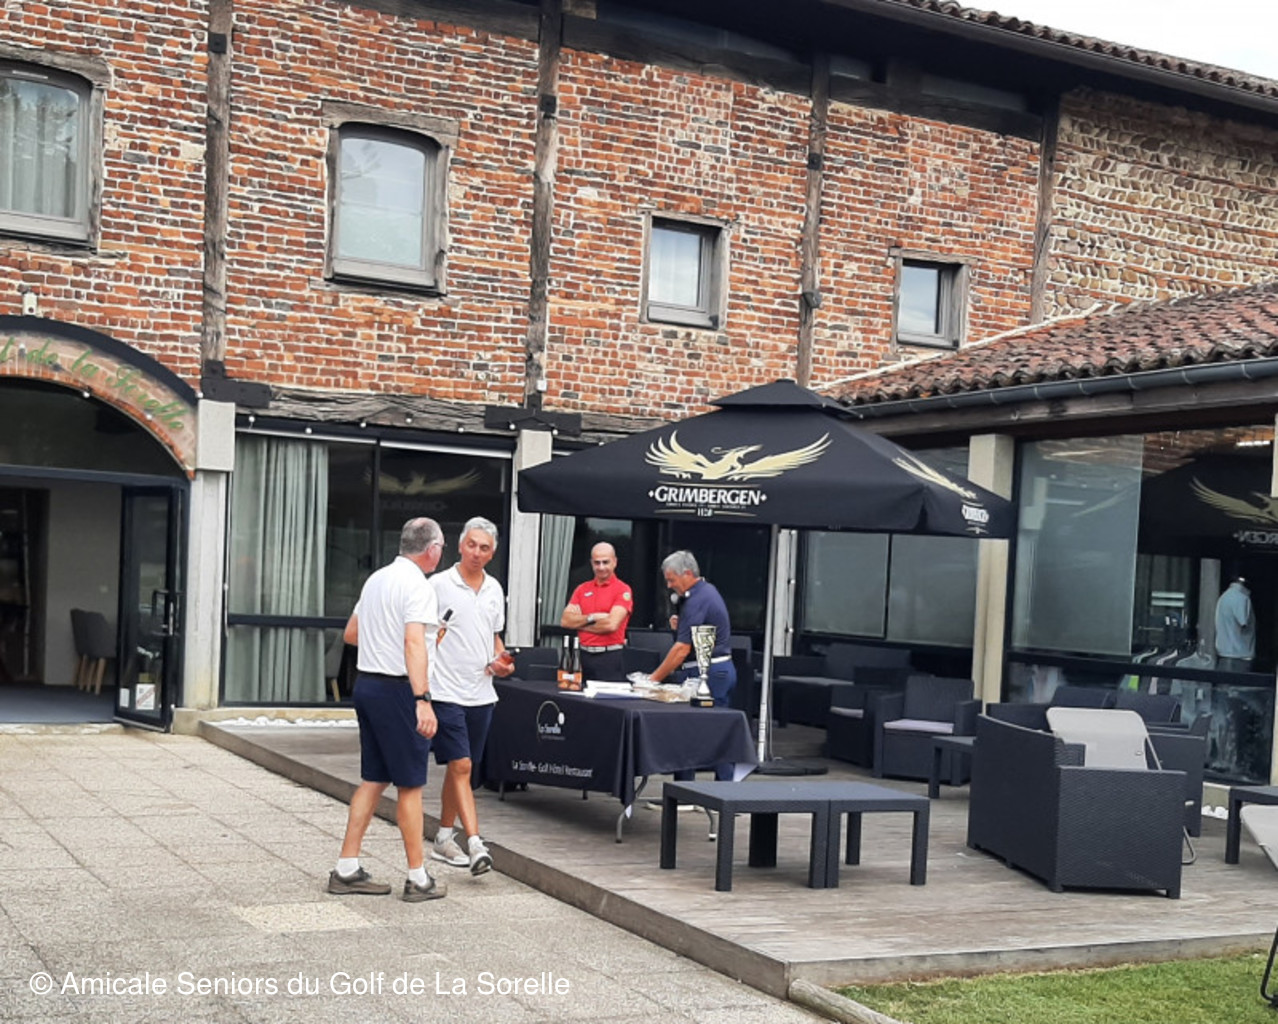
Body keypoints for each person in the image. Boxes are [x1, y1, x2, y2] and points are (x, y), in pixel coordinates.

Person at [329, 517, 447, 903]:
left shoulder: (376, 579)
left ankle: (346, 868)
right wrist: (422, 699)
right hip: (399, 690)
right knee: (410, 785)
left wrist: (393, 639)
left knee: (374, 779)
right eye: (441, 547)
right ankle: (418, 878)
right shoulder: (419, 586)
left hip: (368, 685)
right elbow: (413, 643)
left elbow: (352, 634)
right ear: (432, 549)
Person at [427, 516, 515, 875]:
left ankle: (443, 837)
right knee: (461, 765)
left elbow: (494, 638)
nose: (477, 552)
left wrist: (502, 661)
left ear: (493, 553)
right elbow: (419, 634)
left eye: (485, 548)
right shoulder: (437, 585)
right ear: (460, 545)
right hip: (445, 690)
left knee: (460, 769)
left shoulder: (494, 589)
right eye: (472, 545)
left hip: (482, 692)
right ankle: (476, 843)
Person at [649, 550, 736, 781]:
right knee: (715, 732)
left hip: (707, 672)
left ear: (687, 574)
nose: (669, 586)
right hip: (717, 670)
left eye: (672, 580)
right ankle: (724, 789)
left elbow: (681, 649)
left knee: (692, 732)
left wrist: (652, 679)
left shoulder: (697, 599)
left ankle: (688, 789)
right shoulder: (705, 593)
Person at [559, 542, 634, 682]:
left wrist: (579, 624)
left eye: (605, 562)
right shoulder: (582, 589)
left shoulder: (622, 590)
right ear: (591, 563)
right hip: (581, 657)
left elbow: (611, 625)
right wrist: (592, 617)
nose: (601, 567)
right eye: (597, 563)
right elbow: (565, 621)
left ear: (615, 562)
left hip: (609, 657)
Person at [1215, 574, 1255, 673]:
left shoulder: (1224, 597)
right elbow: (1243, 622)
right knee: (1236, 683)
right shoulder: (1242, 598)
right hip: (1239, 655)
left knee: (1223, 682)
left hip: (1224, 654)